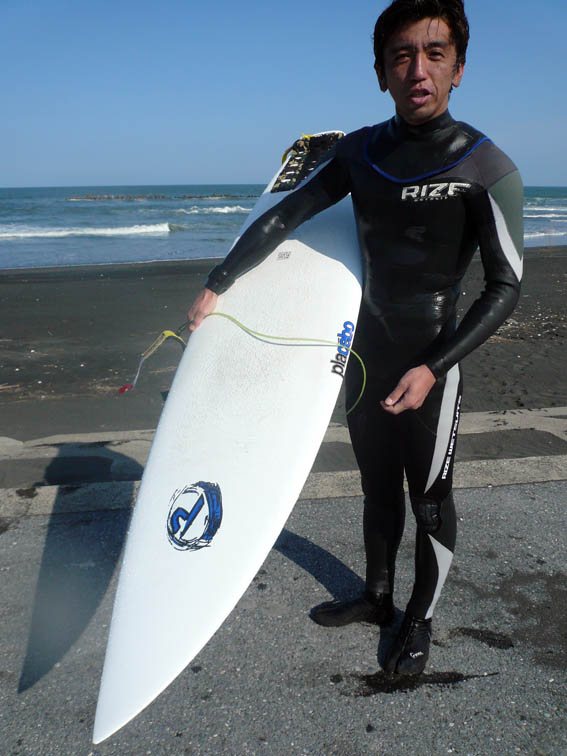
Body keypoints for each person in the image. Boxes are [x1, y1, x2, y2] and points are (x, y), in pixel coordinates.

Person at [187, 0, 523, 675]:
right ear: (380, 72)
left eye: (434, 54)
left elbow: (504, 286)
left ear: (458, 68)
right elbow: (286, 215)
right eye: (401, 56)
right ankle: (376, 595)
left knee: (429, 499)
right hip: (364, 357)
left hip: (432, 361)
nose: (417, 70)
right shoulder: (360, 152)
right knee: (375, 486)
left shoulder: (486, 167)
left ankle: (418, 619)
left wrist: (434, 367)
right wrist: (219, 283)